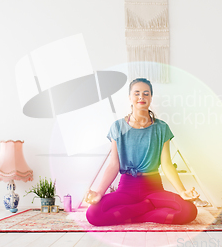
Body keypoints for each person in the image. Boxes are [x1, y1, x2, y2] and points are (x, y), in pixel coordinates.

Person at [84, 77, 199, 226]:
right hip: (126, 189)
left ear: (151, 97)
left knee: (189, 211)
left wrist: (182, 191)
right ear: (130, 97)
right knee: (93, 215)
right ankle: (146, 209)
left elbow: (167, 164)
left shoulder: (161, 128)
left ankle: (132, 214)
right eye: (137, 93)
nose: (141, 97)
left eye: (146, 93)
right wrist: (99, 192)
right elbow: (114, 165)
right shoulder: (117, 127)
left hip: (154, 189)